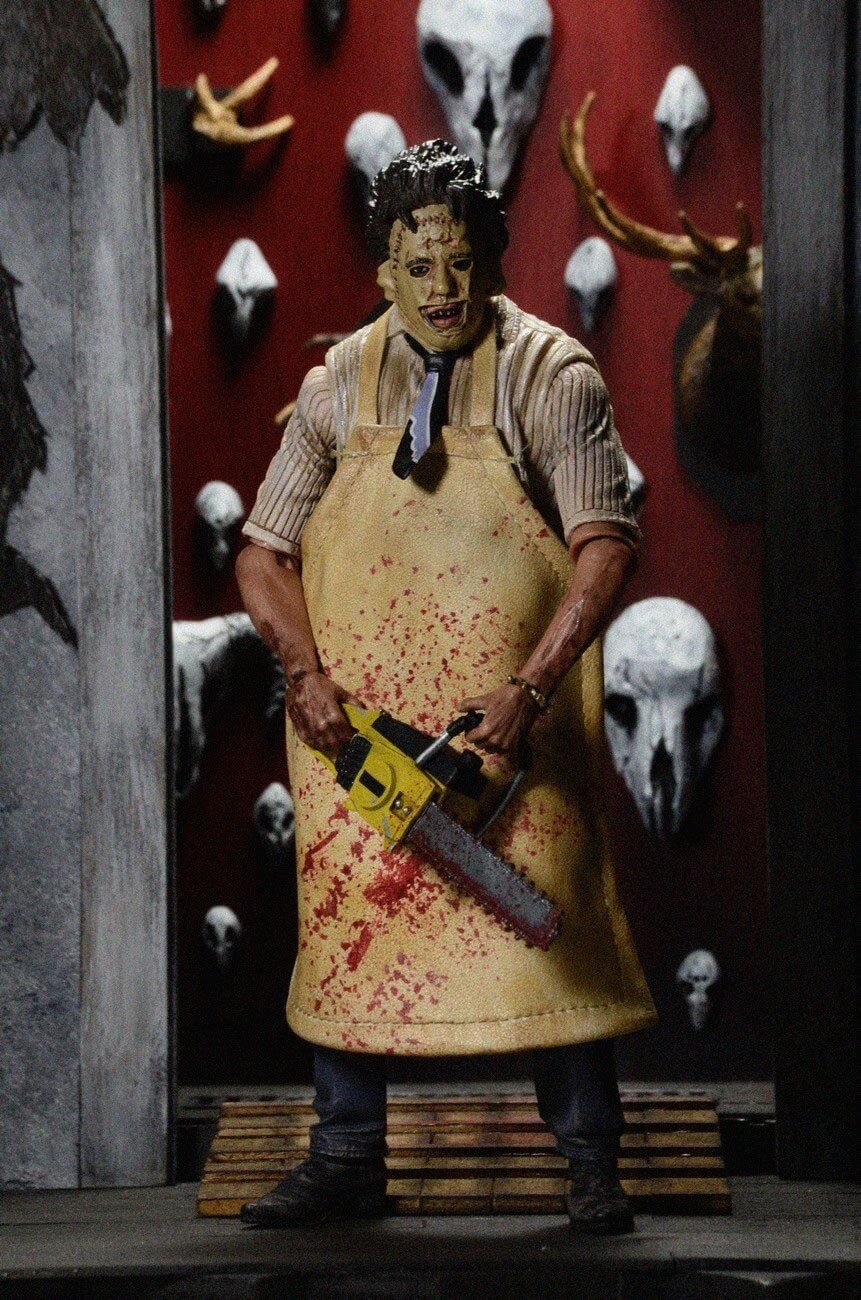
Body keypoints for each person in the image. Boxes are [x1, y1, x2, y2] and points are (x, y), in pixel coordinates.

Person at [235, 141, 656, 1234]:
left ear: (492, 258)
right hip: (357, 738)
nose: (441, 288)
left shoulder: (550, 375)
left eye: (460, 262)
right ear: (384, 269)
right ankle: (344, 1156)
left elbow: (604, 544)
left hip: (505, 734)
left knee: (546, 932)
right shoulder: (335, 386)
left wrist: (531, 689)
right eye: (418, 266)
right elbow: (263, 553)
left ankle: (591, 1161)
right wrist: (305, 675)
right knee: (353, 927)